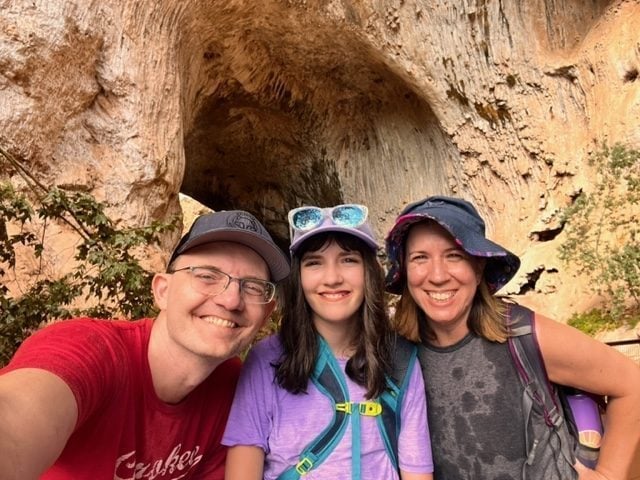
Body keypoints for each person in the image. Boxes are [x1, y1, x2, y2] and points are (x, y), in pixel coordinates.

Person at [0, 210, 290, 479]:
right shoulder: (92, 350)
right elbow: (16, 417)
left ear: (265, 314)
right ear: (162, 291)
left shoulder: (237, 391)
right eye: (207, 276)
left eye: (252, 287)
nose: (231, 300)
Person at [384, 195, 640, 480]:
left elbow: (632, 383)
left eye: (454, 255)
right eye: (420, 258)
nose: (438, 275)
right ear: (405, 271)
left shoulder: (523, 334)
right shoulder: (397, 353)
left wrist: (608, 474)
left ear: (478, 267)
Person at [222, 204, 434, 480]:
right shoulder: (266, 361)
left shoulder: (400, 361)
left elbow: (416, 473)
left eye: (348, 260)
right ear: (298, 277)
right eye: (314, 263)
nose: (332, 278)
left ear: (369, 272)